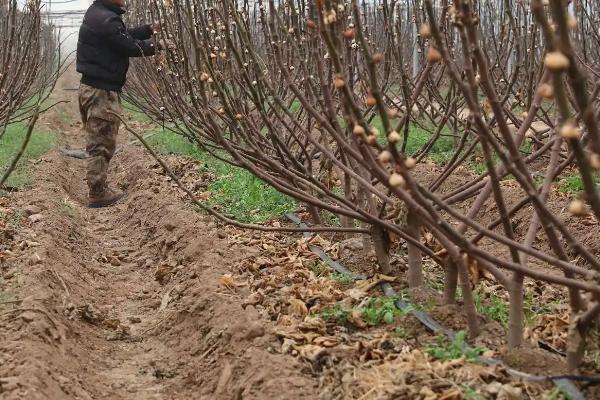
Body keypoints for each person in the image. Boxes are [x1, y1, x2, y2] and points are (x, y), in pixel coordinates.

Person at [76, 0, 171, 208]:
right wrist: (159, 44)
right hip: (101, 92)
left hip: (93, 87)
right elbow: (127, 45)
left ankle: (98, 188)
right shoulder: (105, 19)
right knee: (100, 143)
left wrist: (149, 30)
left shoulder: (99, 14)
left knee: (98, 140)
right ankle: (98, 193)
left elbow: (122, 35)